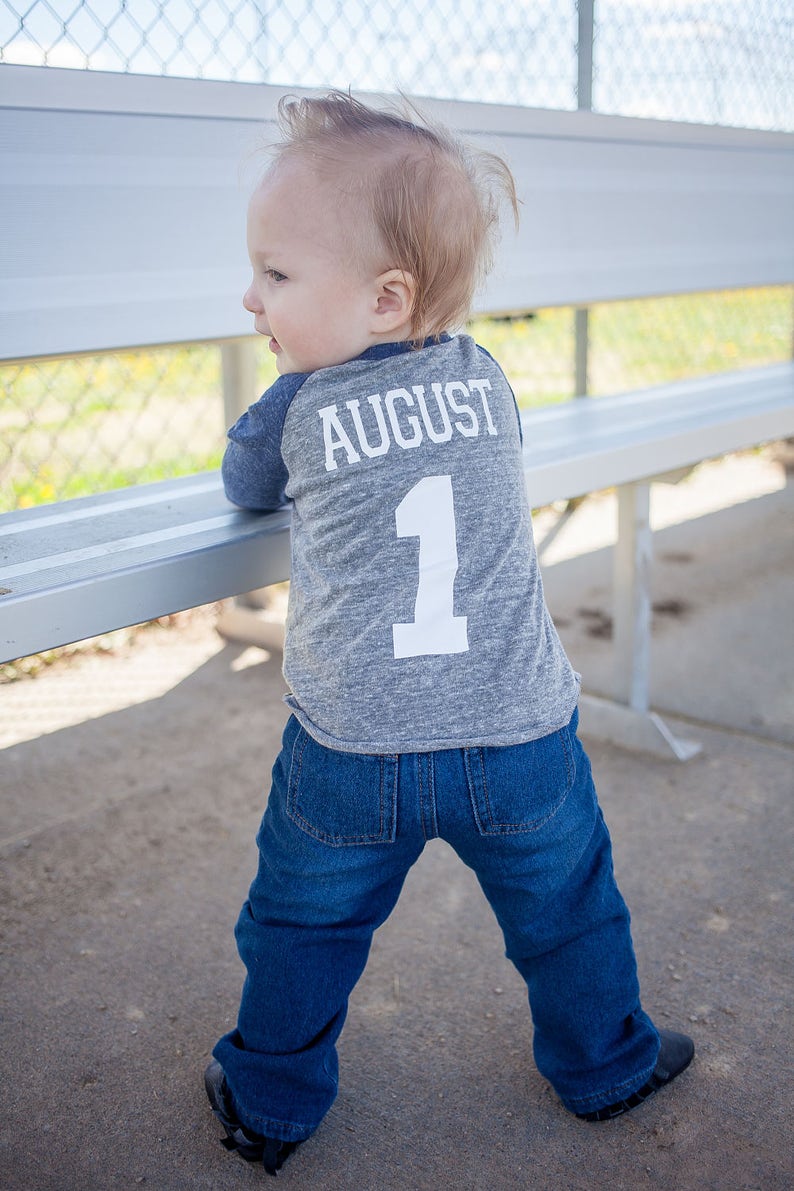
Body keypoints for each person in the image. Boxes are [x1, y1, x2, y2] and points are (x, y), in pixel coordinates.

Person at [205, 91, 694, 1176]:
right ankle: (604, 1065)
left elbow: (245, 487)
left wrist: (287, 392)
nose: (251, 299)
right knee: (567, 910)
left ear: (385, 300)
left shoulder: (298, 406)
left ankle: (270, 1101)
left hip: (351, 755)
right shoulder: (486, 377)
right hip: (516, 738)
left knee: (302, 926)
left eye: (276, 276)